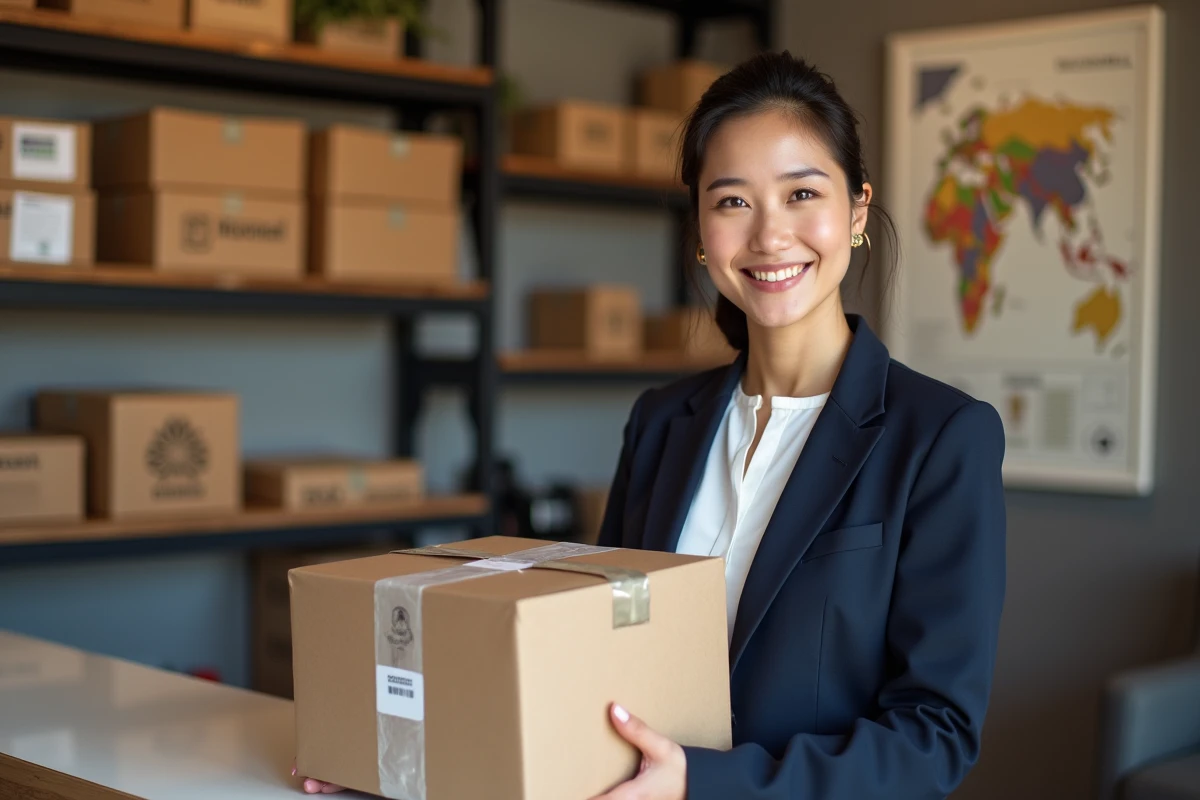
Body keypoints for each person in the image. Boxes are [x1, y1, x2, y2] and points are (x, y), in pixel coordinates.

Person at [300, 49, 1006, 799]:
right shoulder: (664, 421)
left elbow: (934, 737)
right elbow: (596, 653)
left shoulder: (940, 438)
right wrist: (405, 765)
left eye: (802, 193)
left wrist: (700, 783)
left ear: (857, 211)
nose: (769, 236)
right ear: (701, 231)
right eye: (732, 201)